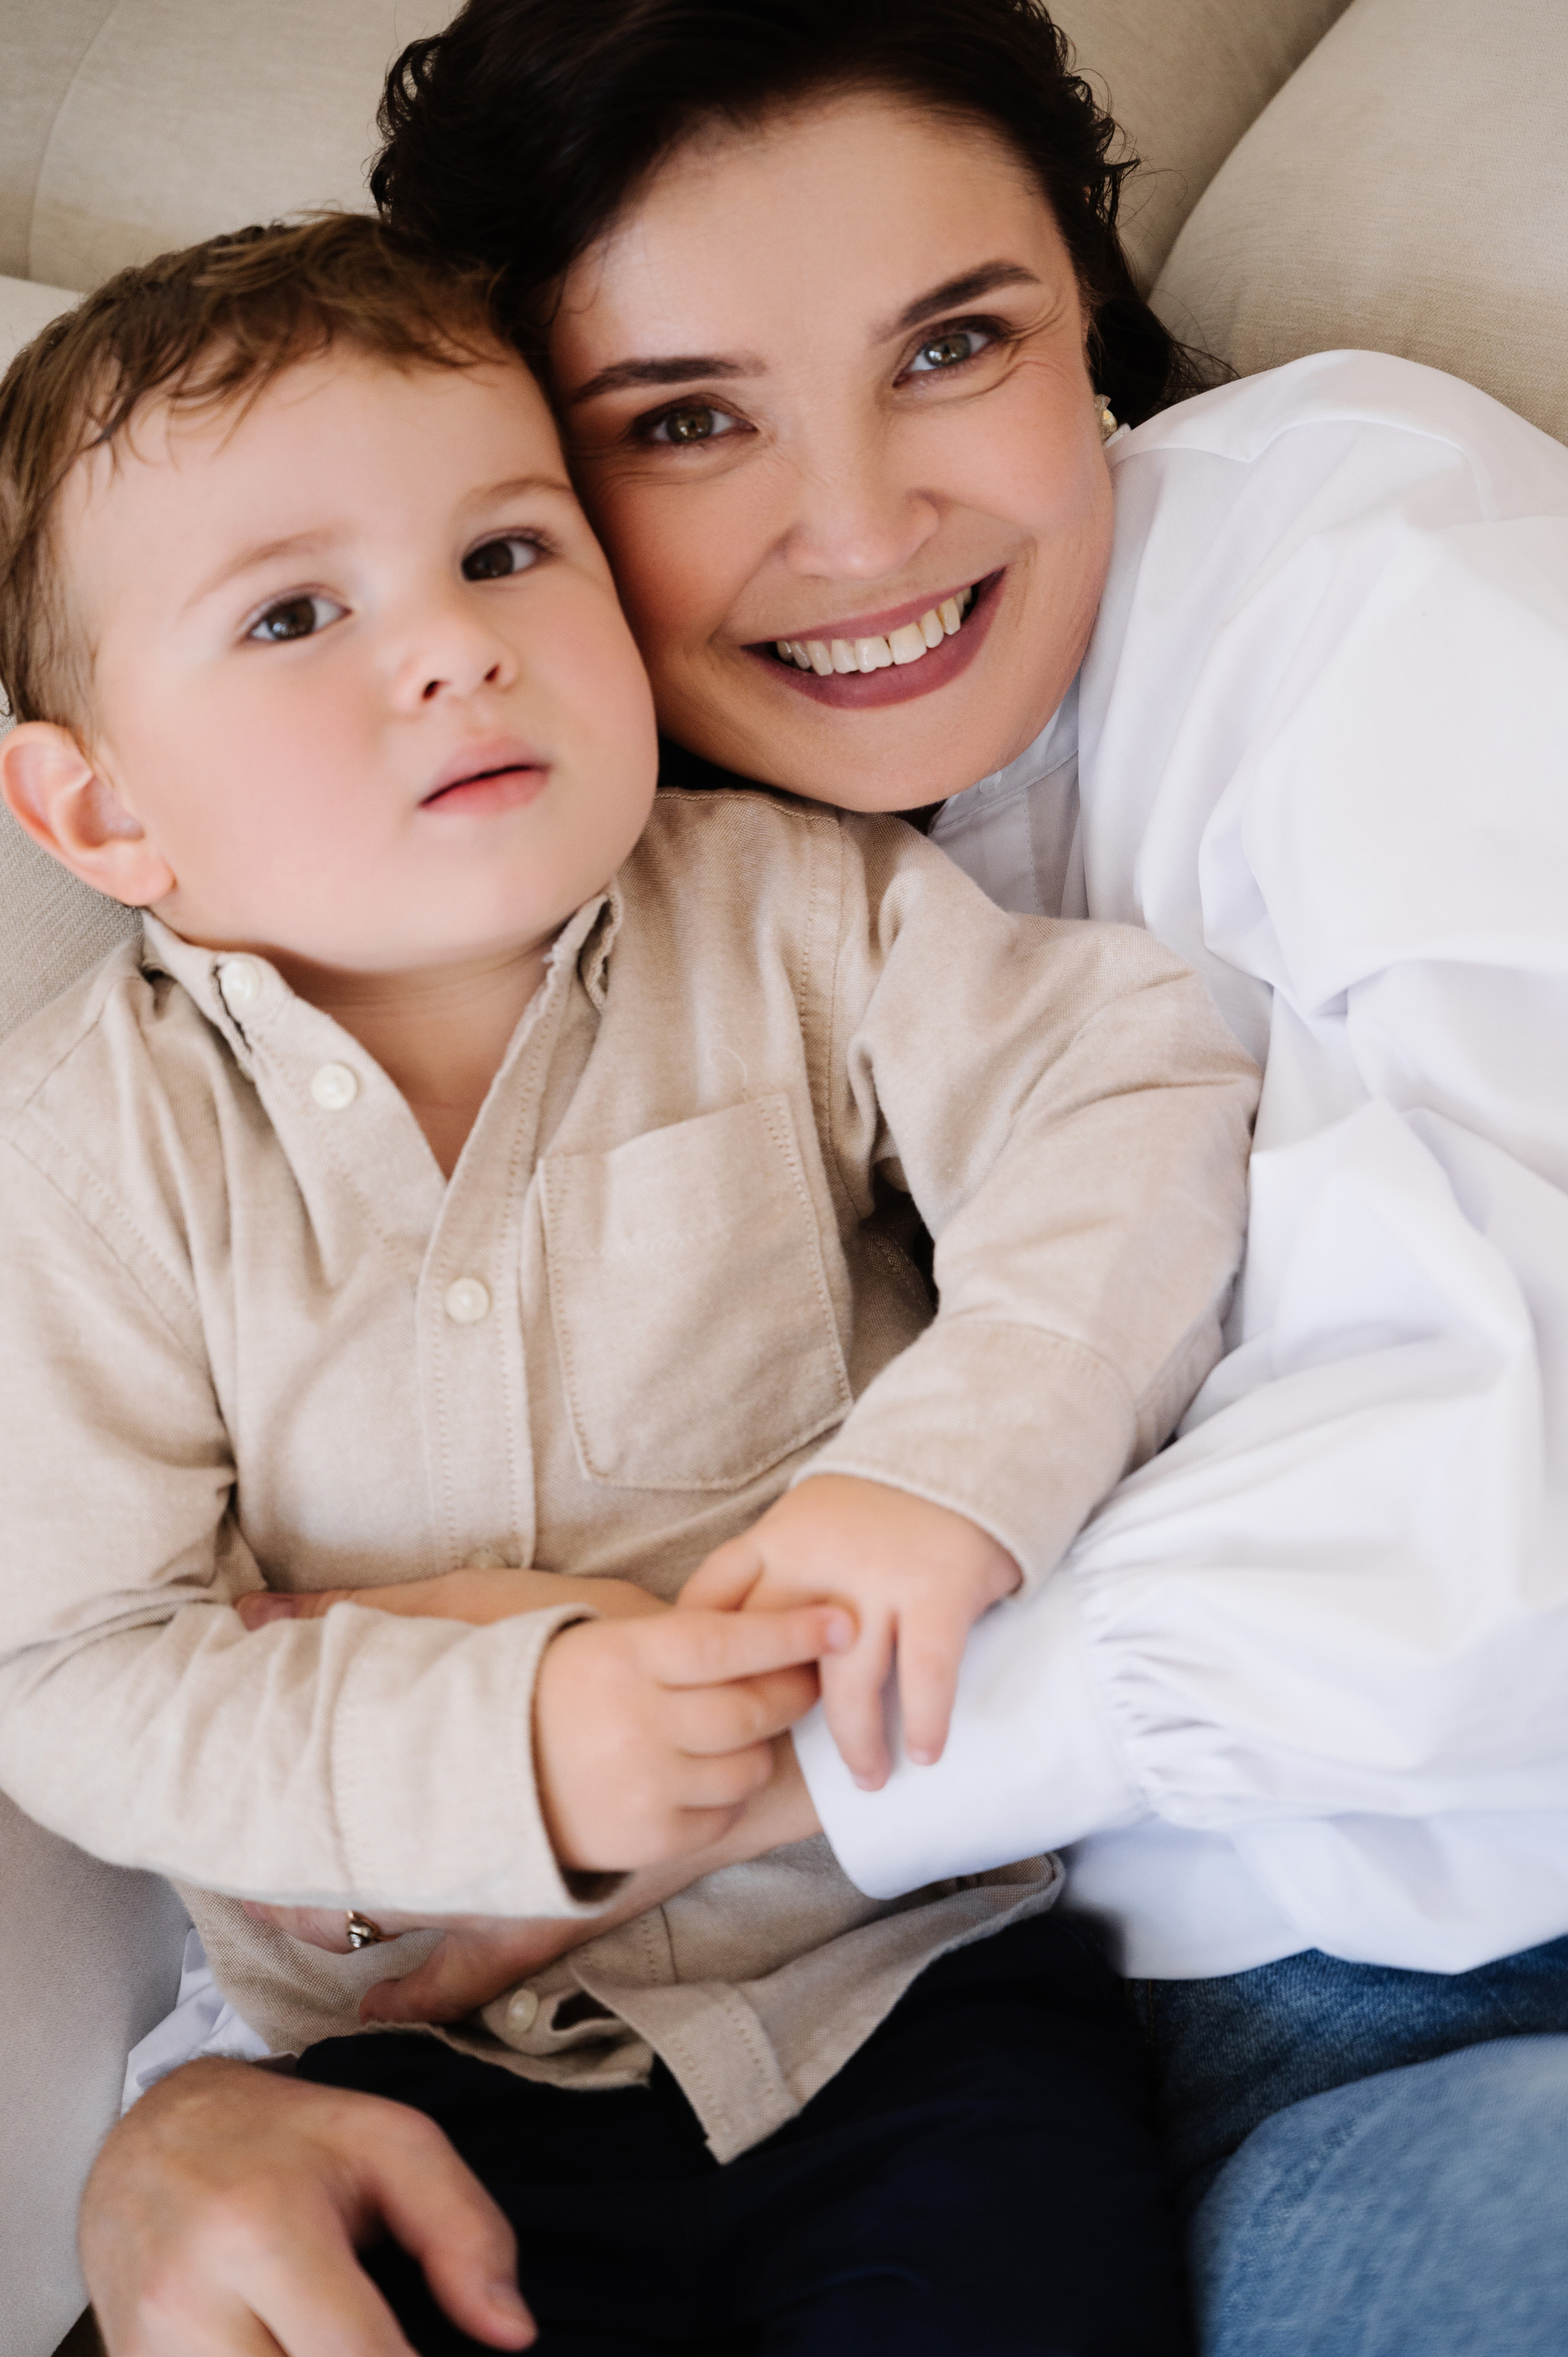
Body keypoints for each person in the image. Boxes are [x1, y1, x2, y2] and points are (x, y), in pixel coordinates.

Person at [67, 1, 1568, 2350]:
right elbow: (238, 1632)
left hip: (1402, 1996)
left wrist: (718, 1754)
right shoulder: (482, 880)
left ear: (1091, 329)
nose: (861, 530)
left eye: (955, 345)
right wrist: (195, 2112)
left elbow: (1522, 1504)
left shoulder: (1349, 557)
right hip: (722, 2092)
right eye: (683, 420)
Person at [0, 211, 1259, 2353]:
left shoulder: (796, 913)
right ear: (100, 808)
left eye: (507, 553)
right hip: (401, 2074)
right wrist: (505, 1748)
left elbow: (1124, 1093)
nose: (452, 647)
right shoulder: (82, 1164)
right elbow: (78, 1672)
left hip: (902, 1997)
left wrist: (945, 1474)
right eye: (296, 613)